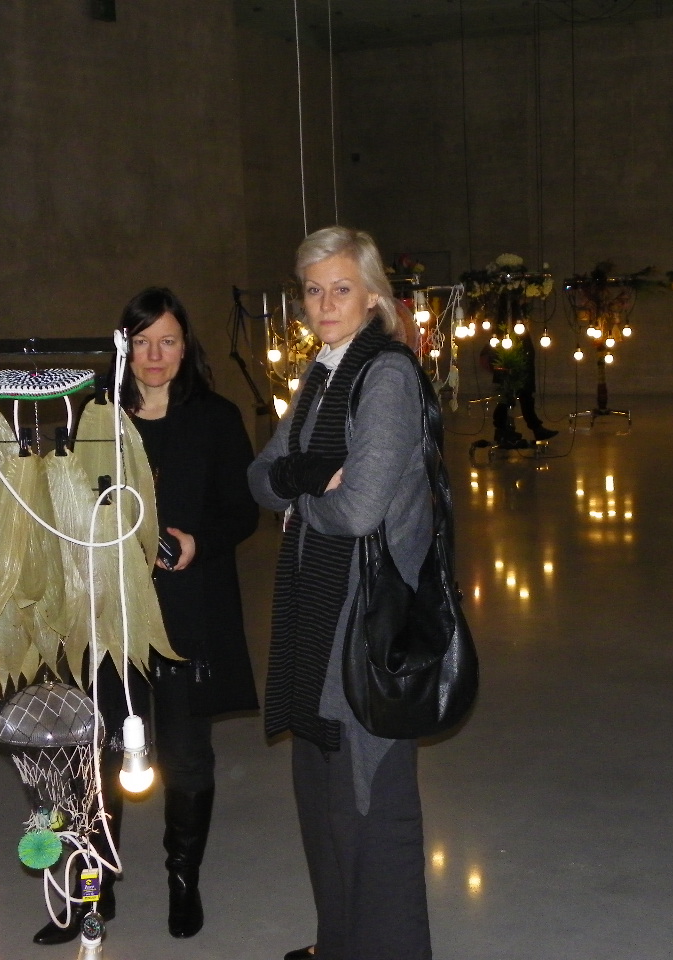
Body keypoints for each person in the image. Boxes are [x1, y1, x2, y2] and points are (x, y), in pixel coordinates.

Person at [33, 286, 260, 944]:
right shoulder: (96, 416)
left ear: (186, 348)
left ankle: (183, 880)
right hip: (112, 611)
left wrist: (197, 542)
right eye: (142, 342)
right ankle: (93, 890)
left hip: (188, 612)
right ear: (122, 347)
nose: (155, 355)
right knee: (100, 753)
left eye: (168, 341)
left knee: (186, 755)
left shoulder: (215, 418)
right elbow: (66, 505)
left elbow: (242, 510)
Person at [249, 226, 435, 960]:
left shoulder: (385, 376)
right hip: (317, 622)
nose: (325, 304)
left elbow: (357, 510)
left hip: (365, 627)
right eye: (313, 290)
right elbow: (260, 475)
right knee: (325, 805)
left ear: (373, 297)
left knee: (371, 808)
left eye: (341, 289)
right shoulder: (321, 375)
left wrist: (299, 501)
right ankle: (339, 944)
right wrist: (305, 482)